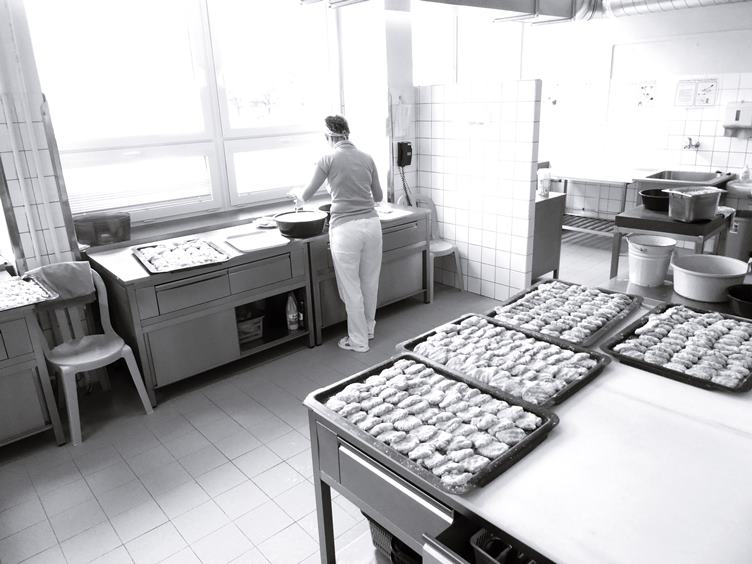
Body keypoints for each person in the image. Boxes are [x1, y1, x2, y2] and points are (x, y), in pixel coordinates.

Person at [292, 115, 383, 352]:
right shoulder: (367, 157)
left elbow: (306, 195)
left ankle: (359, 341)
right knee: (370, 282)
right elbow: (379, 197)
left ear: (328, 137)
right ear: (347, 133)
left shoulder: (327, 158)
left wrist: (295, 194)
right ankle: (368, 329)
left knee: (351, 288)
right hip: (372, 225)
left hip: (346, 228)